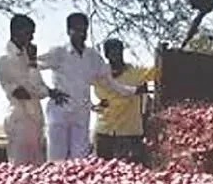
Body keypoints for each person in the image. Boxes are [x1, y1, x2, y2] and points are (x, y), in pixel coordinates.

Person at [39, 13, 145, 161]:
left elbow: (110, 83)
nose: (81, 34)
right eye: (77, 30)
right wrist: (47, 91)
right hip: (60, 111)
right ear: (69, 31)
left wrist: (133, 91)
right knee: (57, 157)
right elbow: (32, 66)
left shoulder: (93, 57)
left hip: (81, 112)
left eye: (84, 30)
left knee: (79, 159)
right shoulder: (59, 52)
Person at [0, 14, 61, 165]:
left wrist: (49, 92)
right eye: (28, 33)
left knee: (36, 165)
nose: (31, 38)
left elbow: (39, 85)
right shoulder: (5, 59)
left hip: (35, 116)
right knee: (20, 166)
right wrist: (32, 64)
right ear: (16, 31)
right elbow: (29, 89)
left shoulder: (28, 57)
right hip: (20, 117)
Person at [93, 38, 156, 164]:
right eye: (112, 52)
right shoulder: (99, 75)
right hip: (104, 132)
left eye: (118, 50)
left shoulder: (136, 72)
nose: (116, 54)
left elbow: (157, 71)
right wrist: (134, 92)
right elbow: (109, 98)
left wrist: (164, 55)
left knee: (131, 173)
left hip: (130, 133)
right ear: (106, 55)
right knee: (102, 173)